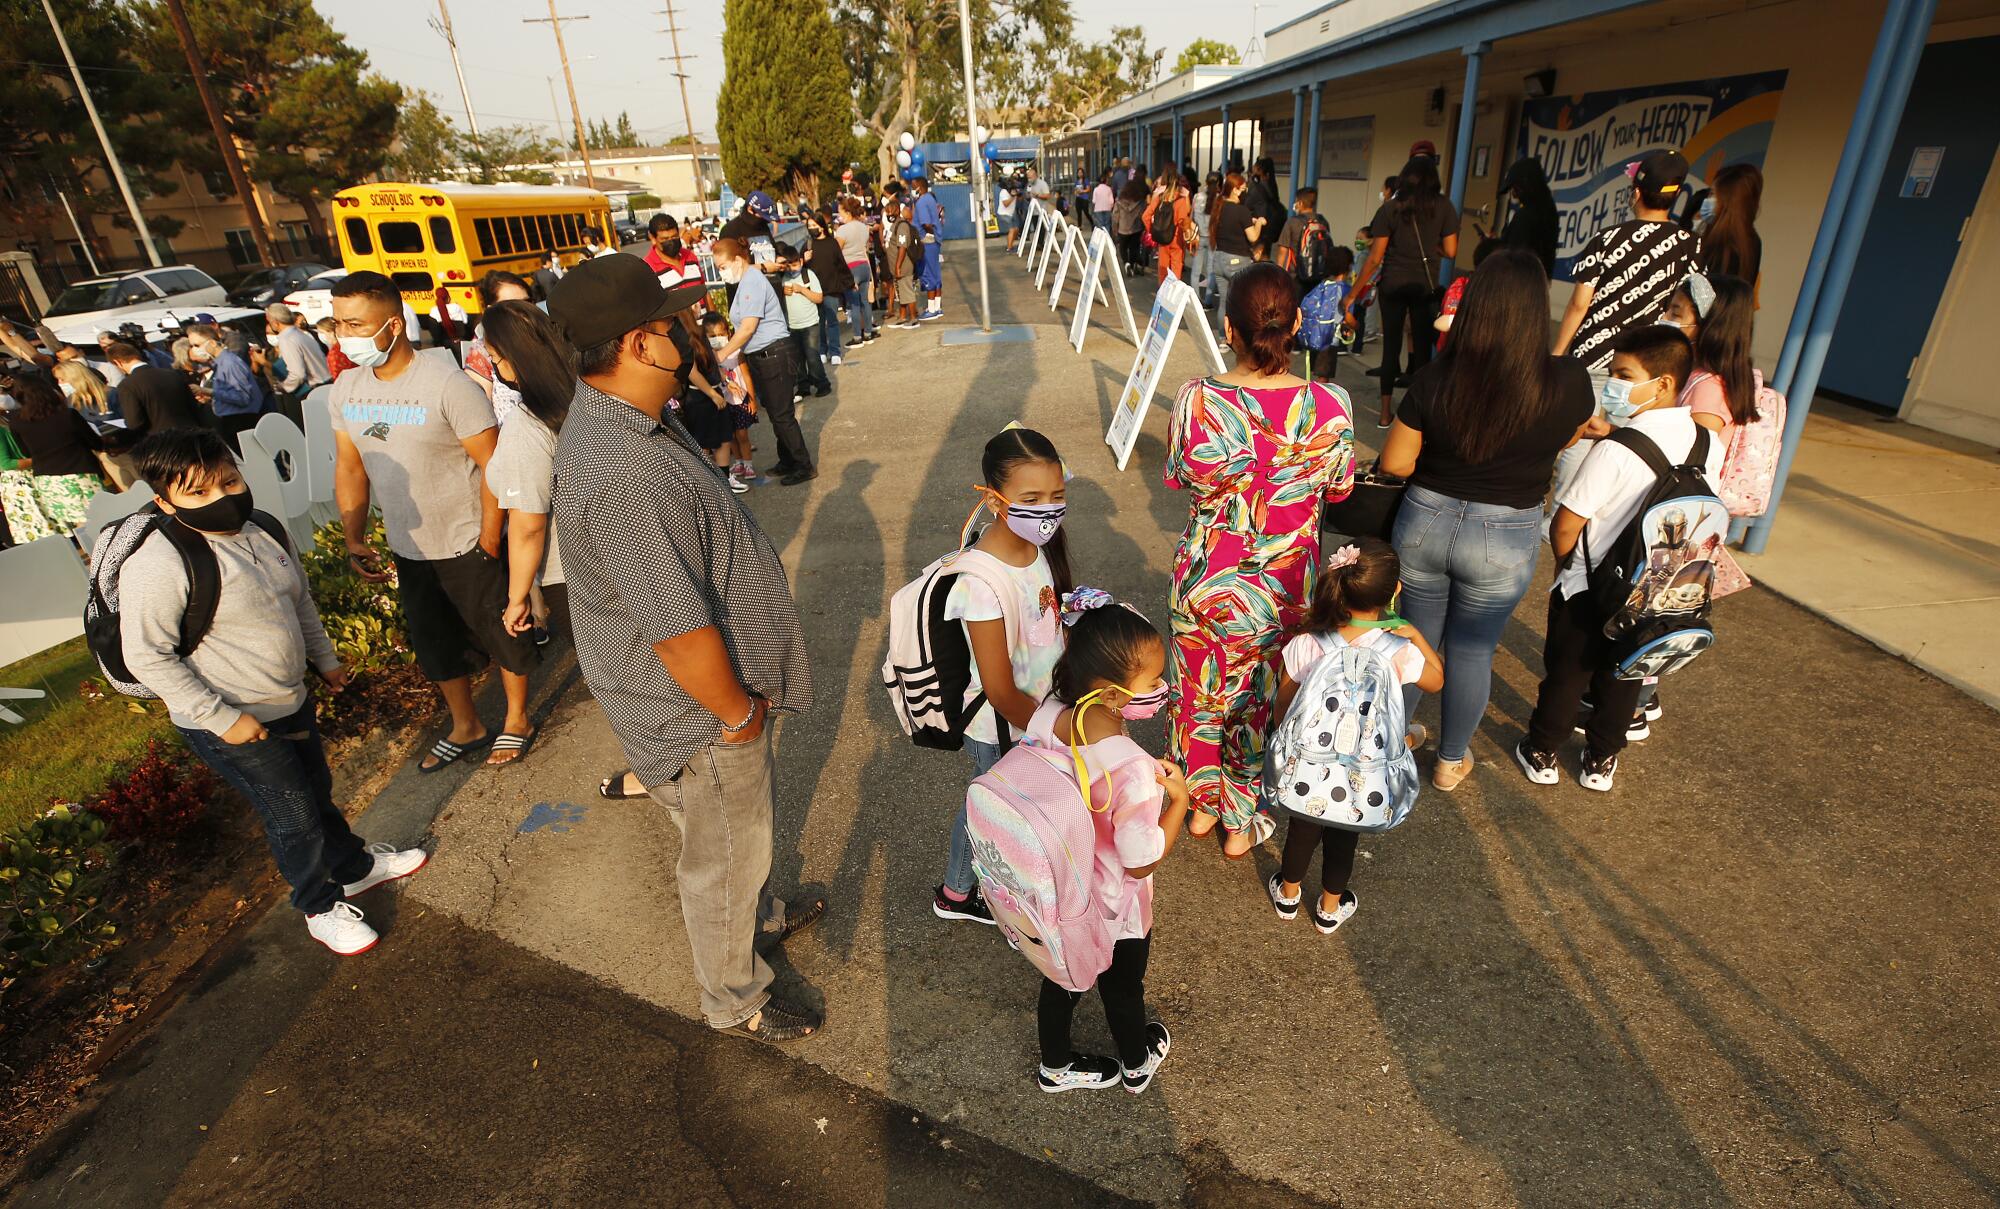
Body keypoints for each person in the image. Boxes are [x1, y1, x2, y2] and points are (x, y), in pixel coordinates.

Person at [545, 255, 824, 1044]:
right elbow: (676, 629)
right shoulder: (623, 466)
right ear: (639, 343)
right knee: (721, 856)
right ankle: (735, 996)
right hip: (699, 711)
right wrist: (734, 714)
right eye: (672, 322)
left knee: (736, 840)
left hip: (691, 697)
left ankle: (761, 916)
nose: (688, 330)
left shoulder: (629, 417)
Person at [118, 429, 426, 955]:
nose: (223, 498)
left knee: (315, 789)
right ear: (163, 501)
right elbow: (146, 655)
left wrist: (325, 661)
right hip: (229, 720)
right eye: (199, 493)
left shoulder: (262, 529)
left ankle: (353, 868)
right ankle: (319, 907)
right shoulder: (159, 563)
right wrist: (221, 719)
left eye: (229, 481)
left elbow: (299, 602)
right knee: (292, 815)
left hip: (289, 699)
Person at [1374, 249, 1597, 790]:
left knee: (1413, 639)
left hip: (1425, 519)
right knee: (1474, 649)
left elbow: (1396, 463)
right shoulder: (1567, 380)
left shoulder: (1436, 377)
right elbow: (1567, 437)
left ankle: (1391, 739)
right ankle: (1451, 761)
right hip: (1507, 532)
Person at [1164, 263, 1355, 858]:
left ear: (1229, 329)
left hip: (1204, 576)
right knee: (1259, 696)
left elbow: (1179, 478)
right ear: (1297, 323)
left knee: (1197, 694)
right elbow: (1340, 489)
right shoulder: (1331, 405)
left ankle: (1197, 805)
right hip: (1282, 586)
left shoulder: (1196, 399)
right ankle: (1240, 821)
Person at [328, 271, 541, 770]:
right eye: (338, 324)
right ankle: (467, 725)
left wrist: (489, 540)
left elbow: (495, 466)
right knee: (436, 643)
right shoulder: (345, 389)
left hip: (468, 539)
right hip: (410, 545)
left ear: (393, 325)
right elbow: (351, 464)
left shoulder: (447, 384)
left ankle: (517, 720)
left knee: (501, 632)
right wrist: (353, 536)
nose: (345, 335)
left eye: (356, 324)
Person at [1520, 325, 1712, 792]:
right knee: (1627, 676)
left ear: (1663, 382)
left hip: (1592, 584)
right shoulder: (1707, 443)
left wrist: (1568, 570)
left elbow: (1567, 524)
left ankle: (1543, 750)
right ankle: (1600, 760)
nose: (1614, 383)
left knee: (1568, 673)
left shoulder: (1615, 450)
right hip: (1660, 589)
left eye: (1624, 374)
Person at [1023, 596, 1186, 1094]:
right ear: (1114, 696)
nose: (1162, 688)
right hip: (1114, 905)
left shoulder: (1048, 716)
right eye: (1153, 681)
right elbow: (1139, 865)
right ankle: (1136, 1063)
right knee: (1122, 985)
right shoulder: (1132, 769)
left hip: (1056, 890)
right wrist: (1176, 801)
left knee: (1064, 981)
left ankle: (1056, 1065)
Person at [933, 427, 1074, 925]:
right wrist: (1059, 733)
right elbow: (997, 689)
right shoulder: (980, 583)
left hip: (1038, 714)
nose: (1048, 510)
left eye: (1057, 496)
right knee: (990, 807)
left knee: (1004, 804)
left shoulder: (1037, 553)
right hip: (1004, 725)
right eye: (1031, 499)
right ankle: (958, 893)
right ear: (995, 500)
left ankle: (978, 884)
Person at [1268, 538, 1442, 932]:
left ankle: (1288, 895)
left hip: (1310, 762)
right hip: (1366, 764)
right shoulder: (1398, 650)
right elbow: (1436, 680)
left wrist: (1285, 738)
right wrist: (1413, 634)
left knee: (1303, 827)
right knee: (1344, 834)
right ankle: (1330, 908)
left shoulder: (1307, 643)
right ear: (1395, 591)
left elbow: (1284, 703)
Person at [1554, 151, 1701, 389]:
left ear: (1637, 192)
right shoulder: (1692, 245)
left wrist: (1558, 352)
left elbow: (1579, 304)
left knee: (1581, 422)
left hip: (1592, 353)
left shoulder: (1606, 238)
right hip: (1645, 361)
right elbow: (1696, 306)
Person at [478, 301, 573, 646]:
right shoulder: (587, 394)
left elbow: (528, 526)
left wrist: (518, 598)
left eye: (494, 359)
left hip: (570, 574)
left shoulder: (528, 423)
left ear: (512, 358)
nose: (494, 368)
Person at [1350, 157, 1459, 428]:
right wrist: (1432, 249)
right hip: (1424, 286)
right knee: (1422, 350)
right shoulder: (1444, 207)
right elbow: (1451, 251)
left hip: (1393, 284)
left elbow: (1375, 257)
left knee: (1391, 349)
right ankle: (1415, 416)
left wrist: (1353, 292)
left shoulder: (1391, 209)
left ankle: (1386, 414)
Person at [710, 238, 814, 485]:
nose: (721, 272)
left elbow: (747, 328)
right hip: (765, 355)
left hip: (773, 354)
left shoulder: (750, 283)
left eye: (723, 266)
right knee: (777, 413)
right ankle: (787, 460)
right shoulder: (748, 279)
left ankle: (803, 464)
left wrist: (722, 355)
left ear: (738, 260)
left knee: (782, 415)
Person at [0, 367, 104, 536]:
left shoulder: (17, 423)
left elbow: (26, 452)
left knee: (81, 530)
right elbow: (95, 443)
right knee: (102, 521)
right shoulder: (68, 415)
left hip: (47, 481)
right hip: (79, 474)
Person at [1671, 273, 1760, 437]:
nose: (1665, 318)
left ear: (1710, 325)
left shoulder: (1708, 388)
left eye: (1675, 314)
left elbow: (1692, 455)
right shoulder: (1700, 375)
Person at [462, 271, 535, 427]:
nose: (523, 312)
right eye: (511, 306)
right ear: (491, 311)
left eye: (527, 302)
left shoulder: (545, 339)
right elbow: (478, 420)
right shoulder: (481, 353)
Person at [699, 310, 760, 491]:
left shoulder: (736, 353)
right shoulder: (708, 357)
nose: (718, 339)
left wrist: (752, 399)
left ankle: (748, 464)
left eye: (721, 334)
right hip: (723, 403)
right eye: (712, 336)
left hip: (740, 401)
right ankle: (739, 462)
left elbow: (747, 376)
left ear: (729, 333)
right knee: (730, 436)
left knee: (742, 436)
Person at [104, 341, 202, 444]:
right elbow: (194, 406)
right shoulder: (173, 374)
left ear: (118, 362)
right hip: (193, 434)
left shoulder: (127, 385)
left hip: (163, 442)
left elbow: (134, 423)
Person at [185, 322, 267, 446]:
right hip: (233, 421)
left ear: (212, 343)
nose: (194, 350)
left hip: (242, 421)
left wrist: (208, 391)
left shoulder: (229, 363)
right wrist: (210, 398)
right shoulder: (220, 363)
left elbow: (243, 398)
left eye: (197, 345)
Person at [1205, 172, 1263, 331]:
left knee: (1224, 302)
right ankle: (1240, 337)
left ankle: (1223, 339)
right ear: (1236, 190)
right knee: (1243, 301)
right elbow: (1253, 237)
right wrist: (1259, 223)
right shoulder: (1242, 211)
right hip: (1238, 261)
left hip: (1219, 259)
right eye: (1244, 189)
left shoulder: (1218, 208)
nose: (1246, 192)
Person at [1695, 163, 1763, 286]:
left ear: (1729, 202)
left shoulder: (1731, 246)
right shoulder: (1751, 241)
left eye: (1713, 194)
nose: (1708, 200)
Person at [804, 209, 855, 368]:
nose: (811, 228)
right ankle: (822, 350)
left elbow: (841, 264)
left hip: (831, 289)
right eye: (809, 225)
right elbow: (797, 266)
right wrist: (804, 259)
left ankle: (835, 352)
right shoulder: (808, 245)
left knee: (832, 322)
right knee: (818, 323)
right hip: (814, 291)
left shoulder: (832, 243)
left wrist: (849, 282)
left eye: (813, 225)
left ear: (821, 226)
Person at [778, 248, 831, 399]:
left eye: (794, 265)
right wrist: (782, 292)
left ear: (801, 261)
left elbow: (819, 298)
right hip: (792, 326)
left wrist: (802, 290)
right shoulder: (782, 278)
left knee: (812, 357)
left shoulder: (809, 275)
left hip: (810, 324)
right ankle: (803, 386)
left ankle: (822, 383)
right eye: (788, 266)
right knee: (797, 359)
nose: (791, 269)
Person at [266, 303, 331, 426]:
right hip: (325, 384)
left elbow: (298, 373)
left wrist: (284, 386)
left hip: (312, 391)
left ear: (275, 322)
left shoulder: (286, 338)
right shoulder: (301, 334)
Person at [1493, 157, 1558, 275]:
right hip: (1536, 284)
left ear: (1525, 185)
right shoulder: (1549, 210)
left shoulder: (1526, 216)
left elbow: (1511, 257)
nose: (1514, 194)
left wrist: (1490, 246)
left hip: (1516, 283)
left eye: (1515, 188)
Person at [834, 198, 880, 346]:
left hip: (850, 268)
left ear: (847, 212)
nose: (840, 215)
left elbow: (837, 252)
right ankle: (867, 332)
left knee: (854, 304)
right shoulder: (863, 227)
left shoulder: (842, 230)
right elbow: (865, 246)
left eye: (841, 212)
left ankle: (856, 337)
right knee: (865, 302)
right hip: (865, 266)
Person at [1142, 170, 1192, 285]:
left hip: (1162, 238)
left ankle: (1162, 293)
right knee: (1176, 268)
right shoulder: (1180, 200)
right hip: (1176, 238)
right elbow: (1183, 221)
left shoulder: (1160, 198)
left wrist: (1153, 230)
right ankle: (1173, 295)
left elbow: (1145, 216)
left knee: (1163, 268)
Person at [910, 177, 944, 321]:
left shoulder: (921, 202)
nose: (911, 189)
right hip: (934, 241)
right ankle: (937, 306)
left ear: (919, 186)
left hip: (926, 242)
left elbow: (926, 223)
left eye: (913, 186)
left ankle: (931, 309)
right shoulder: (930, 198)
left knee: (928, 273)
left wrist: (927, 237)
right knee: (935, 273)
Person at [886, 199, 921, 330]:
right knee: (900, 293)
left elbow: (902, 247)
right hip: (896, 267)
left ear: (897, 211)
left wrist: (898, 266)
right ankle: (902, 317)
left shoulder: (902, 226)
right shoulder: (894, 225)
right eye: (887, 212)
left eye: (891, 211)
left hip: (903, 266)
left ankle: (913, 317)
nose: (889, 214)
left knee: (907, 291)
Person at [1244, 156, 1287, 260]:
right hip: (1270, 225)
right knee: (1265, 253)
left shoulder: (1257, 187)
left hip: (1259, 224)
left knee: (1256, 253)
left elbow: (1247, 204)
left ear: (1260, 170)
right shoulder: (1272, 185)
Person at [645, 213, 701, 286]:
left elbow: (704, 291)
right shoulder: (648, 270)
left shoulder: (690, 256)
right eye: (665, 239)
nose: (671, 242)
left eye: (674, 237)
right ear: (653, 238)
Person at [1091, 171, 1115, 236]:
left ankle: (1101, 239)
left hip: (1098, 209)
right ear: (1106, 181)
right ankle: (1107, 239)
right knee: (1107, 224)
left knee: (1100, 225)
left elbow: (1094, 201)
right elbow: (1112, 201)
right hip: (1107, 208)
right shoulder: (1109, 189)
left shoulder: (1096, 189)